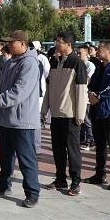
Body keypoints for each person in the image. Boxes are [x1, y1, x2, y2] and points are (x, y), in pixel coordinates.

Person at [0, 31, 42, 208]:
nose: (8, 45)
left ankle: (32, 192)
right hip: (7, 119)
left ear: (22, 43)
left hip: (22, 120)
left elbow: (20, 90)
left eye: (12, 43)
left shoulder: (30, 63)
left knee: (26, 159)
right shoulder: (11, 61)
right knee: (6, 157)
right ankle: (4, 184)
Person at [40, 31, 87, 196]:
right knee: (58, 149)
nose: (56, 43)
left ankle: (75, 182)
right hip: (56, 115)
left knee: (72, 150)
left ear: (69, 44)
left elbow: (81, 90)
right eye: (56, 40)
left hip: (70, 116)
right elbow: (48, 89)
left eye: (59, 41)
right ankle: (60, 179)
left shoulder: (77, 63)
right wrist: (44, 110)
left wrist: (80, 114)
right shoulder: (54, 61)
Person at [86, 40, 110, 191]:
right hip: (98, 112)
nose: (96, 51)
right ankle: (99, 174)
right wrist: (91, 93)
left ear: (109, 51)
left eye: (100, 49)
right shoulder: (100, 66)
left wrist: (98, 96)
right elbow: (92, 84)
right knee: (100, 146)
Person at [78, 44, 95, 150]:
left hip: (87, 97)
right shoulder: (78, 64)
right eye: (77, 52)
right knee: (81, 120)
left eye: (80, 53)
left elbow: (86, 81)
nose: (78, 54)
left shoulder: (90, 65)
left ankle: (90, 141)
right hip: (79, 96)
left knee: (87, 120)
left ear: (87, 54)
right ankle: (82, 140)